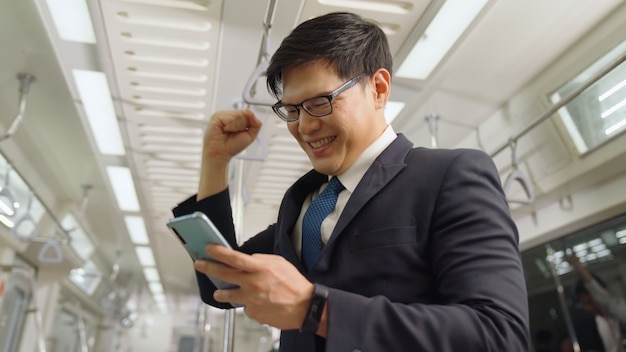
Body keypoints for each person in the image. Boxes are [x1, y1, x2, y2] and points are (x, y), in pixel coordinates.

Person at [173, 12, 529, 352]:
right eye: (293, 110)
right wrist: (215, 162)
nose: (305, 126)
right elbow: (218, 284)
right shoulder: (302, 203)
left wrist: (315, 309)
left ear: (378, 88)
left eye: (320, 102)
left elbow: (499, 335)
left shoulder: (449, 176)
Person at [570, 254, 626, 352]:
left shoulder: (620, 310)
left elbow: (605, 299)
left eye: (589, 302)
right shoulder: (598, 322)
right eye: (584, 304)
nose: (588, 308)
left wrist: (578, 267)